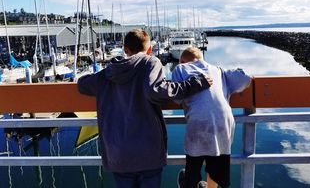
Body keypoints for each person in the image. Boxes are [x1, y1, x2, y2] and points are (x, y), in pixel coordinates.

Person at [77, 29, 212, 188]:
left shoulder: (110, 71)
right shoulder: (150, 62)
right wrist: (196, 83)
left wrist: (105, 73)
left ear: (125, 49)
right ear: (149, 50)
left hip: (118, 154)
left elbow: (82, 85)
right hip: (148, 153)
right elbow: (156, 90)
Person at [172, 47, 252, 188]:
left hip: (199, 124)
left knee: (193, 166)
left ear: (181, 60)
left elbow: (177, 96)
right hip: (224, 124)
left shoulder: (180, 68)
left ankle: (189, 182)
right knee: (217, 161)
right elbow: (245, 79)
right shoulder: (218, 71)